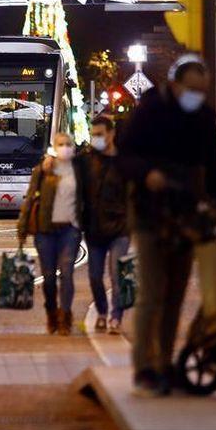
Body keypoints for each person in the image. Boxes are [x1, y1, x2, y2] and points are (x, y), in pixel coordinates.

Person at [117, 54, 216, 396]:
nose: (196, 96)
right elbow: (125, 157)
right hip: (150, 212)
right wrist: (147, 174)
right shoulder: (149, 112)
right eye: (191, 89)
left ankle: (165, 363)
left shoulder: (203, 119)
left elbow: (215, 173)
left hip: (186, 214)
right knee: (153, 293)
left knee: (174, 295)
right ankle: (145, 367)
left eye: (201, 91)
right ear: (174, 85)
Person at [17, 133, 82, 336]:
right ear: (54, 147)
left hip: (70, 230)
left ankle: (65, 316)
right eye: (60, 144)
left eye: (68, 145)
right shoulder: (43, 170)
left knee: (68, 273)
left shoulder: (80, 170)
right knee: (48, 277)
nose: (65, 148)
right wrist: (22, 227)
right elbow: (29, 198)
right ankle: (51, 312)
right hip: (45, 231)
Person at [77, 116, 129, 335]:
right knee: (95, 276)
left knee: (117, 276)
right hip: (94, 228)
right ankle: (101, 311)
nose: (96, 139)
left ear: (111, 134)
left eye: (100, 134)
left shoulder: (125, 162)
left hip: (120, 228)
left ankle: (116, 317)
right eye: (93, 134)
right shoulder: (85, 161)